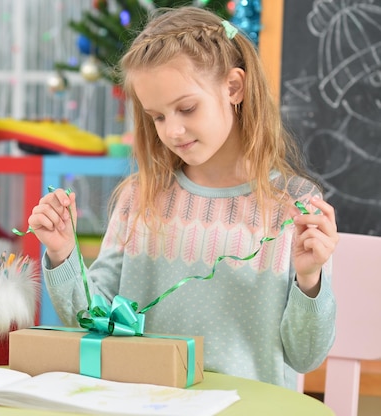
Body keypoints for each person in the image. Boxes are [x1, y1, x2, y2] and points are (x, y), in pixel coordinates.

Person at [27, 6, 338, 390]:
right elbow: (91, 320)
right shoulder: (140, 199)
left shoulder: (294, 204)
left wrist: (310, 279)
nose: (172, 130)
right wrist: (62, 255)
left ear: (234, 88)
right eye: (156, 116)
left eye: (187, 108)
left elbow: (305, 356)